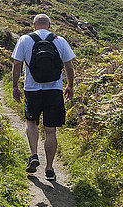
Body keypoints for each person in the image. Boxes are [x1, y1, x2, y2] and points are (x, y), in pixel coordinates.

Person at [11, 14, 75, 182]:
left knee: (31, 122)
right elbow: (69, 65)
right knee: (51, 130)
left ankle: (33, 155)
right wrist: (70, 86)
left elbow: (17, 64)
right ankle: (49, 169)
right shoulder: (60, 40)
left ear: (33, 25)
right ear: (49, 25)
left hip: (32, 90)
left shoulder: (24, 39)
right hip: (54, 90)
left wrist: (15, 86)